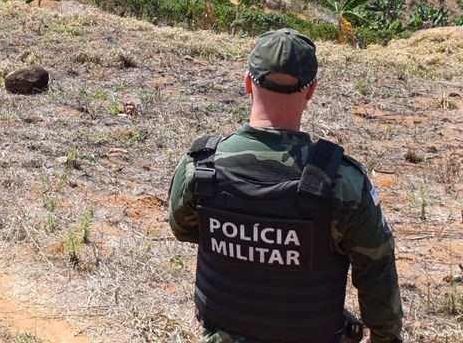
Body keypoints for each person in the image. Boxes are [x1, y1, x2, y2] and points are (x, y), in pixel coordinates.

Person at [168, 29, 403, 343]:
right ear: (311, 91)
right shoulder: (342, 182)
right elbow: (376, 273)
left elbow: (184, 229)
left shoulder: (201, 167)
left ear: (248, 83)